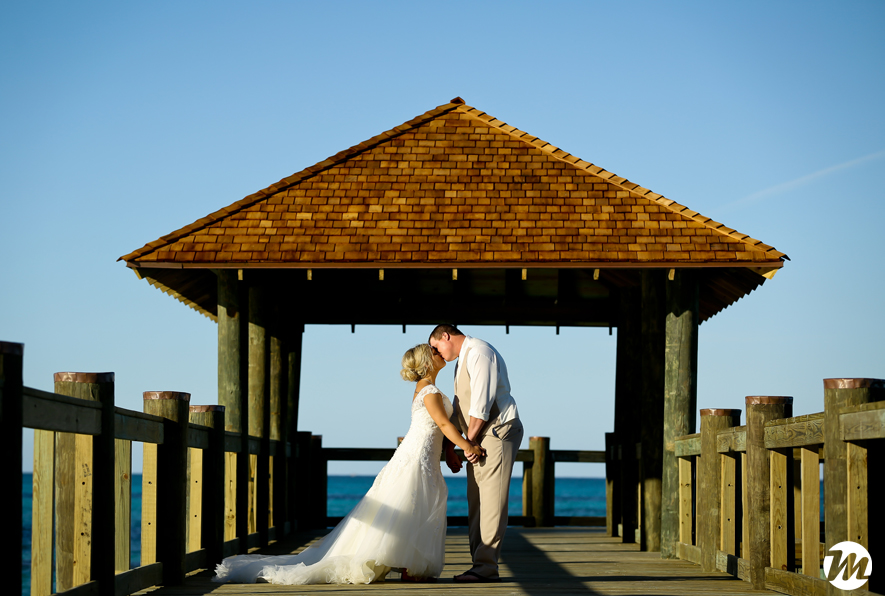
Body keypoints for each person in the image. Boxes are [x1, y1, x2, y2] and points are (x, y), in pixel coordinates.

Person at [213, 343, 484, 585]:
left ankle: (408, 564)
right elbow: (444, 424)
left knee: (413, 506)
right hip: (416, 457)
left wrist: (450, 449)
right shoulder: (431, 391)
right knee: (412, 504)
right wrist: (468, 446)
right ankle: (408, 564)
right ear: (427, 362)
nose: (440, 353)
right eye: (434, 352)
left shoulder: (426, 389)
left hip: (421, 456)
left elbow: (442, 428)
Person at [429, 324, 524, 583]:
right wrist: (454, 447)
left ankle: (486, 567)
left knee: (491, 501)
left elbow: (481, 406)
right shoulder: (464, 358)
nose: (435, 353)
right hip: (478, 435)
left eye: (436, 347)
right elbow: (462, 406)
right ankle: (479, 564)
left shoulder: (480, 352)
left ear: (446, 336)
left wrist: (466, 444)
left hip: (498, 431)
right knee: (477, 500)